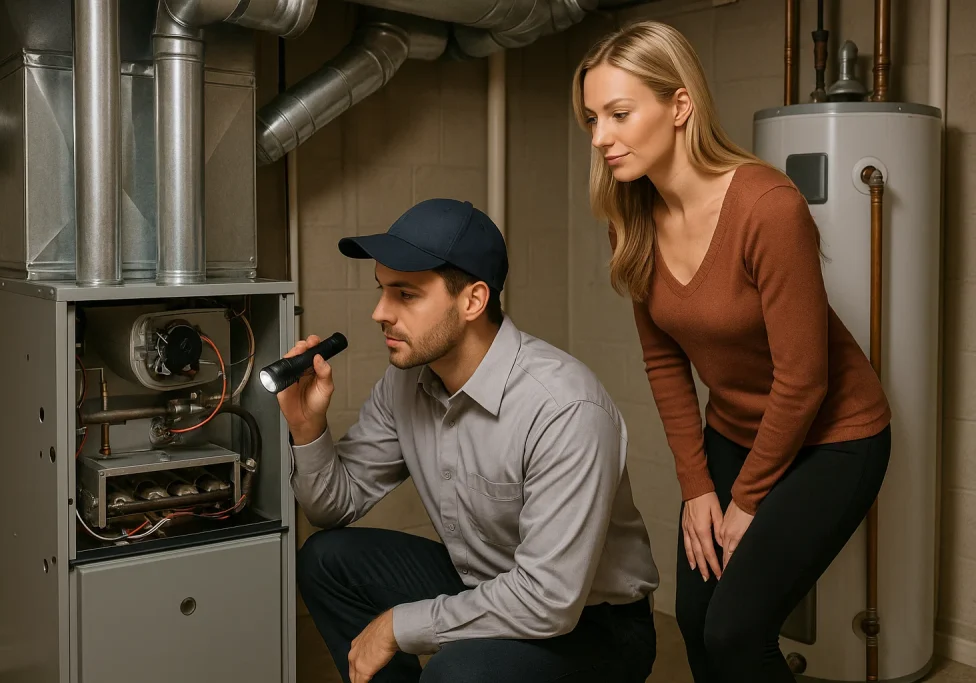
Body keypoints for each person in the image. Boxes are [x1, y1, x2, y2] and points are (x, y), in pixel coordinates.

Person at [571, 20, 893, 683]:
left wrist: (743, 500)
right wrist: (697, 488)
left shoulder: (767, 207)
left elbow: (805, 378)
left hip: (836, 436)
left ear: (680, 105)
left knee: (736, 628)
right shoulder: (629, 222)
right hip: (736, 430)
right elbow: (664, 363)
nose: (600, 136)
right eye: (592, 118)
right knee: (696, 620)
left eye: (619, 114)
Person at [277, 197, 660, 683]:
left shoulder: (563, 408)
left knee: (459, 672)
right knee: (326, 562)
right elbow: (331, 509)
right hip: (483, 581)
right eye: (381, 290)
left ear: (473, 300)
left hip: (590, 622)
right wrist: (307, 427)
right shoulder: (407, 381)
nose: (379, 312)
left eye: (405, 294)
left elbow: (549, 600)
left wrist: (400, 626)